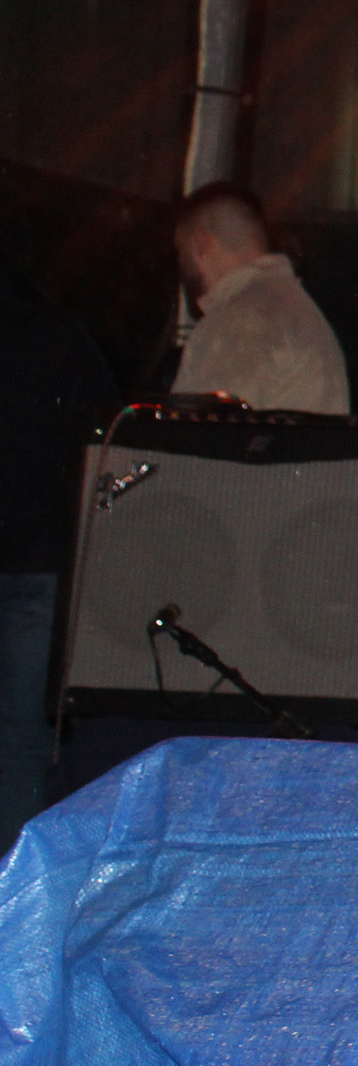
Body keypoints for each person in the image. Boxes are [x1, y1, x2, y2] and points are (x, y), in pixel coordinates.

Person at [0, 264, 118, 847]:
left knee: (21, 740)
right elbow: (107, 440)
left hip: (35, 562)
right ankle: (16, 884)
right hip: (42, 561)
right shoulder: (59, 336)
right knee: (23, 741)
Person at [170, 184, 349, 414]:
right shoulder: (300, 310)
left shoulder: (235, 324)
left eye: (181, 251)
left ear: (202, 244)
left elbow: (194, 431)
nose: (180, 265)